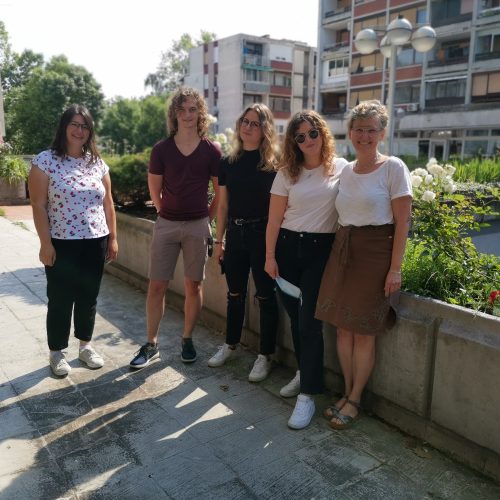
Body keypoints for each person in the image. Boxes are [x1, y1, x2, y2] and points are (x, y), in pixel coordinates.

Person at [316, 100, 412, 429]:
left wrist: (395, 268)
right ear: (350, 133)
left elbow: (403, 223)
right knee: (343, 327)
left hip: (375, 255)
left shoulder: (393, 168)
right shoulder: (346, 170)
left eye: (371, 130)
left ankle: (355, 399)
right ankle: (346, 392)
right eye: (358, 129)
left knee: (364, 331)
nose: (364, 136)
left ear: (382, 133)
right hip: (343, 252)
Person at [265, 110, 348, 429]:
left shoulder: (341, 169)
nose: (308, 140)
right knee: (296, 319)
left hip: (320, 252)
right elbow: (274, 220)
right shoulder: (287, 173)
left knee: (309, 324)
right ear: (294, 142)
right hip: (287, 250)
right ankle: (304, 372)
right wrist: (269, 257)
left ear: (322, 133)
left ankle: (308, 395)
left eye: (313, 133)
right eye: (300, 136)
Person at [129, 87, 221, 368]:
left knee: (194, 285)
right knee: (156, 285)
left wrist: (206, 219)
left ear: (200, 113)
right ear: (174, 114)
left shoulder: (211, 150)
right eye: (182, 110)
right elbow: (154, 189)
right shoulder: (162, 150)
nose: (187, 115)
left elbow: (220, 193)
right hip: (166, 225)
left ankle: (187, 339)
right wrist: (164, 213)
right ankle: (151, 344)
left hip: (198, 226)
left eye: (193, 109)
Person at [29, 104, 118, 377]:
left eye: (85, 126)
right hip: (62, 241)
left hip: (95, 240)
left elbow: (108, 203)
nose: (80, 131)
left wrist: (113, 238)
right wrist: (45, 244)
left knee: (88, 295)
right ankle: (57, 351)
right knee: (60, 297)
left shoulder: (97, 163)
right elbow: (38, 205)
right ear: (64, 127)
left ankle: (85, 346)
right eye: (75, 124)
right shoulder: (45, 161)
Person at [207, 104, 279, 382]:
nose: (247, 127)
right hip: (236, 235)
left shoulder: (274, 164)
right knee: (234, 294)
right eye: (245, 121)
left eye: (255, 123)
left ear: (265, 129)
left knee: (266, 296)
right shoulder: (227, 163)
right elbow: (223, 206)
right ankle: (230, 344)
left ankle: (265, 355)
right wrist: (219, 241)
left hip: (263, 235)